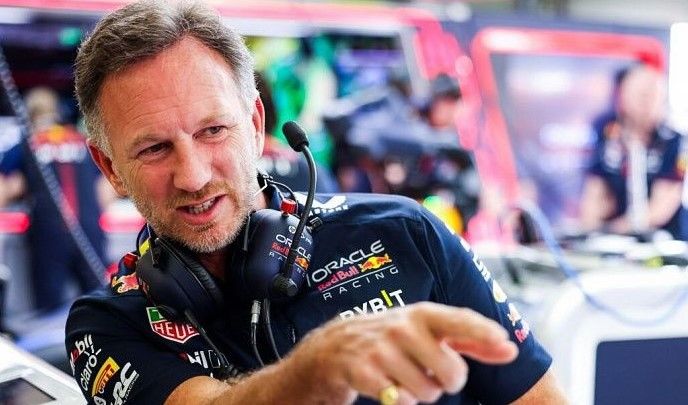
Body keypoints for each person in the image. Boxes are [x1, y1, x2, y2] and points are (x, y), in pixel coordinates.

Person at [65, 1, 566, 404]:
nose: (193, 176)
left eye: (213, 130)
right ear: (110, 167)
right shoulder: (105, 325)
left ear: (255, 125)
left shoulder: (406, 232)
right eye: (154, 149)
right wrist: (316, 371)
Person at [0, 87, 114, 312]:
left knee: (49, 312)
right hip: (89, 231)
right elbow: (106, 189)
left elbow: (4, 190)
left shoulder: (29, 144)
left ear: (29, 116)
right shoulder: (83, 142)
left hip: (48, 235)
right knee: (102, 304)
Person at [580, 64, 687, 239]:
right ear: (623, 95)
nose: (648, 102)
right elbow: (595, 191)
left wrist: (616, 230)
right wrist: (588, 234)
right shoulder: (607, 132)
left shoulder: (675, 140)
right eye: (642, 95)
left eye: (655, 95)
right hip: (613, 239)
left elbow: (662, 206)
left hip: (663, 238)